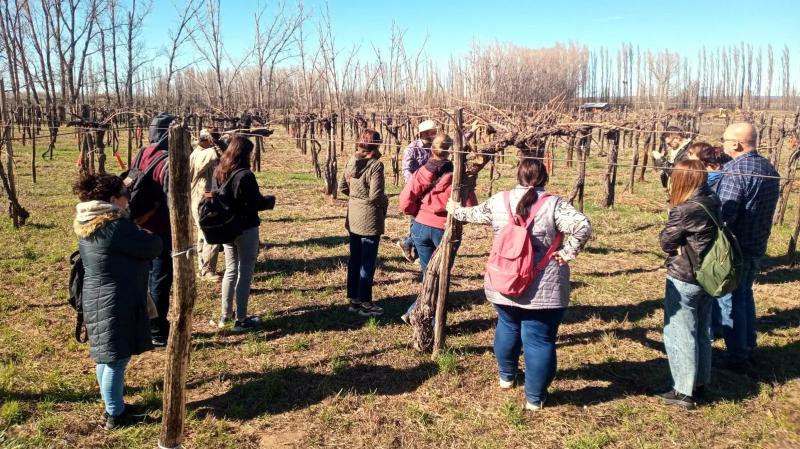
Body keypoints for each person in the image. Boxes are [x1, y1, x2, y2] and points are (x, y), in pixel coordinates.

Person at [447, 158, 592, 410]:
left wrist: (453, 208)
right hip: (543, 287)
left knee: (508, 325)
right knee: (538, 339)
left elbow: (470, 214)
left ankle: (506, 377)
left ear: (518, 175)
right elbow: (583, 225)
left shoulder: (499, 200)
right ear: (544, 177)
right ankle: (535, 399)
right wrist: (567, 252)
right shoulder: (554, 205)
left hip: (503, 282)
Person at [72, 173, 163, 430]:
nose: (129, 200)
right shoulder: (115, 226)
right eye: (126, 195)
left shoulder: (89, 220)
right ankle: (115, 415)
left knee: (106, 356)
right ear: (113, 200)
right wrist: (145, 232)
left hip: (98, 294)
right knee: (116, 358)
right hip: (115, 297)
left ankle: (112, 404)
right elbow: (152, 246)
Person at [715, 122, 780, 372]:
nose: (722, 143)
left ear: (736, 144)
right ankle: (749, 346)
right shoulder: (768, 168)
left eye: (724, 139)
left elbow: (725, 214)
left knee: (730, 301)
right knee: (745, 296)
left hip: (735, 249)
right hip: (756, 244)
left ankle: (737, 357)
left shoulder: (735, 171)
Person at [657, 159, 720, 409]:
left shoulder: (684, 209)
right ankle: (700, 382)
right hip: (708, 275)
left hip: (685, 276)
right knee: (702, 331)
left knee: (679, 332)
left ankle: (683, 390)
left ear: (682, 179)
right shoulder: (713, 200)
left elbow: (666, 241)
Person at [398, 133, 477, 323]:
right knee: (440, 276)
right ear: (450, 151)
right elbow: (470, 208)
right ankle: (431, 322)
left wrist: (417, 213)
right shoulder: (459, 177)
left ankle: (416, 312)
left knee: (429, 273)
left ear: (431, 149)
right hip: (445, 229)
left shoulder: (421, 172)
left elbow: (405, 202)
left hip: (421, 227)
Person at [212, 135, 276, 331]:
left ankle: (225, 315)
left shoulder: (219, 171)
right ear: (244, 153)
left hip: (226, 228)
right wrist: (270, 201)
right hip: (246, 228)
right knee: (245, 272)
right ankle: (241, 320)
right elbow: (256, 202)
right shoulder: (245, 176)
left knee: (230, 270)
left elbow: (212, 196)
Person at [129, 112, 174, 347]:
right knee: (160, 279)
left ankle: (141, 323)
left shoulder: (141, 153)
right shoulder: (167, 160)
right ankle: (157, 329)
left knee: (143, 277)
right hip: (159, 230)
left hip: (137, 226)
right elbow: (171, 201)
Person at [339, 129, 388, 317]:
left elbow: (343, 187)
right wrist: (385, 202)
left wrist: (355, 198)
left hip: (353, 218)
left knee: (355, 259)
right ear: (376, 144)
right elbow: (376, 195)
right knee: (367, 262)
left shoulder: (350, 161)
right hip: (369, 220)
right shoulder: (376, 165)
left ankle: (353, 299)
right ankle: (366, 303)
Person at [396, 119, 438, 262]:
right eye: (433, 132)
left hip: (431, 190)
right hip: (416, 190)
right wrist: (414, 187)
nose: (436, 134)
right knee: (416, 220)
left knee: (423, 220)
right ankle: (410, 244)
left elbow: (452, 144)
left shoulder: (435, 147)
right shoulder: (412, 148)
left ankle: (411, 245)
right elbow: (406, 170)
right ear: (424, 134)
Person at [189, 128, 222, 281]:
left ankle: (203, 267)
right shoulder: (199, 155)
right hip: (201, 199)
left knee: (203, 234)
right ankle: (207, 270)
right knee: (211, 232)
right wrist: (216, 142)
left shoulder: (201, 152)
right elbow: (214, 155)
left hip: (204, 197)